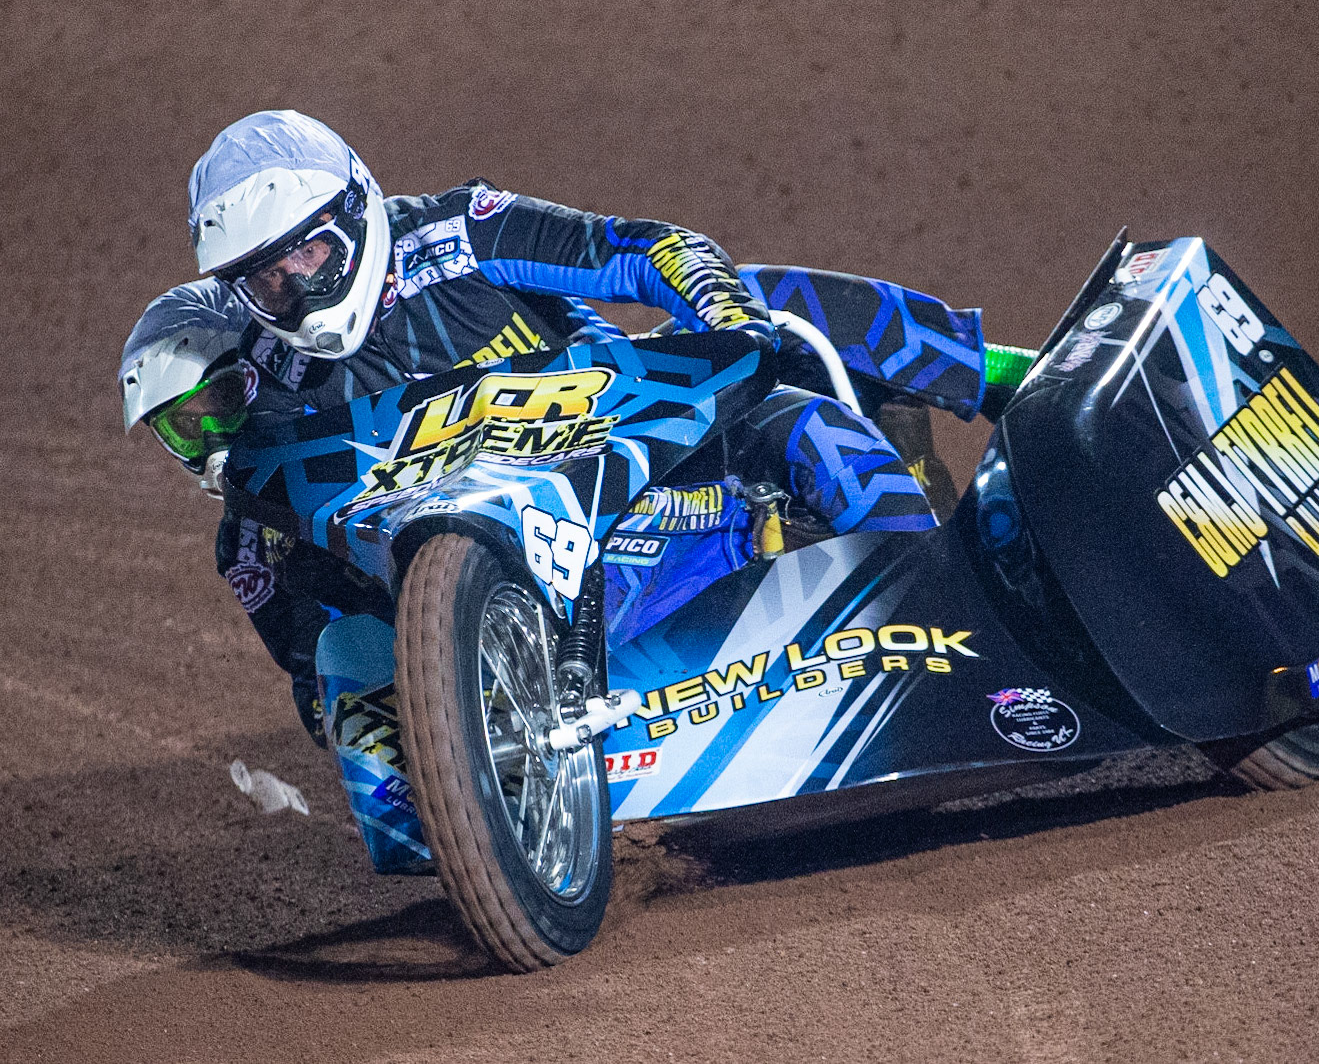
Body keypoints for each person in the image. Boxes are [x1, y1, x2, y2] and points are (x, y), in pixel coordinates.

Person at [122, 109, 936, 743]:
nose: (294, 293)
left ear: (357, 209)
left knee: (807, 418)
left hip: (675, 490)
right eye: (266, 282)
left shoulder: (459, 231)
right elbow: (310, 647)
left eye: (307, 257)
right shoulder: (277, 383)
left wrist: (724, 314)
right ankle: (475, 786)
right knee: (344, 656)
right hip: (506, 607)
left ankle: (941, 609)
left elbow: (642, 248)